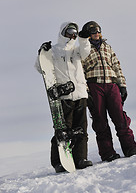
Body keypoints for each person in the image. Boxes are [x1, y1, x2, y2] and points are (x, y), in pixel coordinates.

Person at [35, 22, 93, 173]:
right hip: (64, 96)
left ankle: (80, 158)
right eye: (70, 31)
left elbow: (86, 51)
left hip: (80, 93)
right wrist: (42, 53)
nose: (73, 34)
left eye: (75, 31)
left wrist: (84, 38)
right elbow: (40, 67)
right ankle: (58, 162)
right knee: (62, 130)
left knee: (81, 129)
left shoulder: (77, 49)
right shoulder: (54, 50)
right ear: (63, 32)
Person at [81, 21, 136, 162]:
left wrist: (122, 85)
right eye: (93, 31)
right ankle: (108, 153)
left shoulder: (107, 47)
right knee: (100, 120)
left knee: (120, 117)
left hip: (111, 85)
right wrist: (86, 92)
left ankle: (130, 148)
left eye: (98, 31)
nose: (96, 34)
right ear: (88, 34)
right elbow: (80, 72)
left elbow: (117, 66)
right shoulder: (83, 50)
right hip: (95, 85)